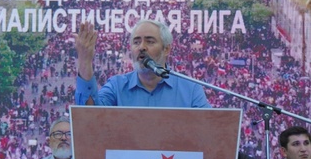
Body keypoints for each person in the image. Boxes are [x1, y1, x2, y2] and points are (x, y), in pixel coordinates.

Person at [73, 20, 212, 107]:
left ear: (166, 49)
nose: (142, 47)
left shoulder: (190, 89)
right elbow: (90, 114)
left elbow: (210, 129)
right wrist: (85, 60)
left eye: (150, 41)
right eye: (136, 42)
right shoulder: (117, 87)